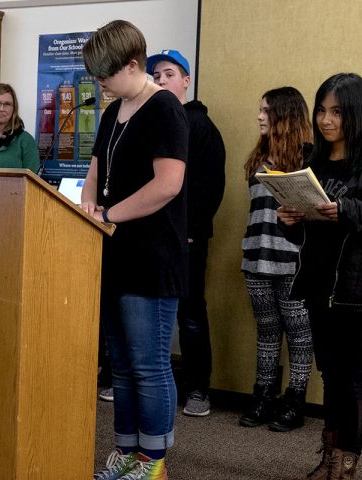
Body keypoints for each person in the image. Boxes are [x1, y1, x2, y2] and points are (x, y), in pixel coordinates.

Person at [277, 73, 362, 479]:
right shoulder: (312, 161)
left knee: (353, 379)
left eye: (335, 111)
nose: (325, 119)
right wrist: (290, 221)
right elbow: (309, 228)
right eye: (321, 110)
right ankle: (329, 456)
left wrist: (348, 210)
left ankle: (344, 467)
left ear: (355, 112)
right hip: (321, 282)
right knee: (331, 375)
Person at [81, 20, 188, 480]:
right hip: (113, 255)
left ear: (132, 64)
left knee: (149, 366)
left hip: (152, 257)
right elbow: (96, 169)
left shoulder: (165, 109)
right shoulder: (112, 111)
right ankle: (126, 452)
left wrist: (108, 215)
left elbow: (168, 185)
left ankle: (153, 461)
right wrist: (87, 203)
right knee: (121, 367)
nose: (99, 83)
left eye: (105, 74)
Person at [147, 49, 226, 417]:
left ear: (186, 80)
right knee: (149, 310)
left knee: (191, 312)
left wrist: (192, 231)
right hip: (151, 236)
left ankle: (198, 389)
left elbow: (210, 187)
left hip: (188, 239)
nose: (161, 80)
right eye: (156, 75)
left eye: (168, 73)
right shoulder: (152, 120)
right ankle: (143, 382)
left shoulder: (201, 127)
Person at [239, 87, 314, 432]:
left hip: (294, 261)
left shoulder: (309, 159)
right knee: (267, 331)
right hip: (256, 257)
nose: (259, 116)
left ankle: (294, 399)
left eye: (266, 110)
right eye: (259, 109)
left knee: (299, 333)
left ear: (285, 115)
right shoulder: (258, 158)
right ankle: (263, 394)